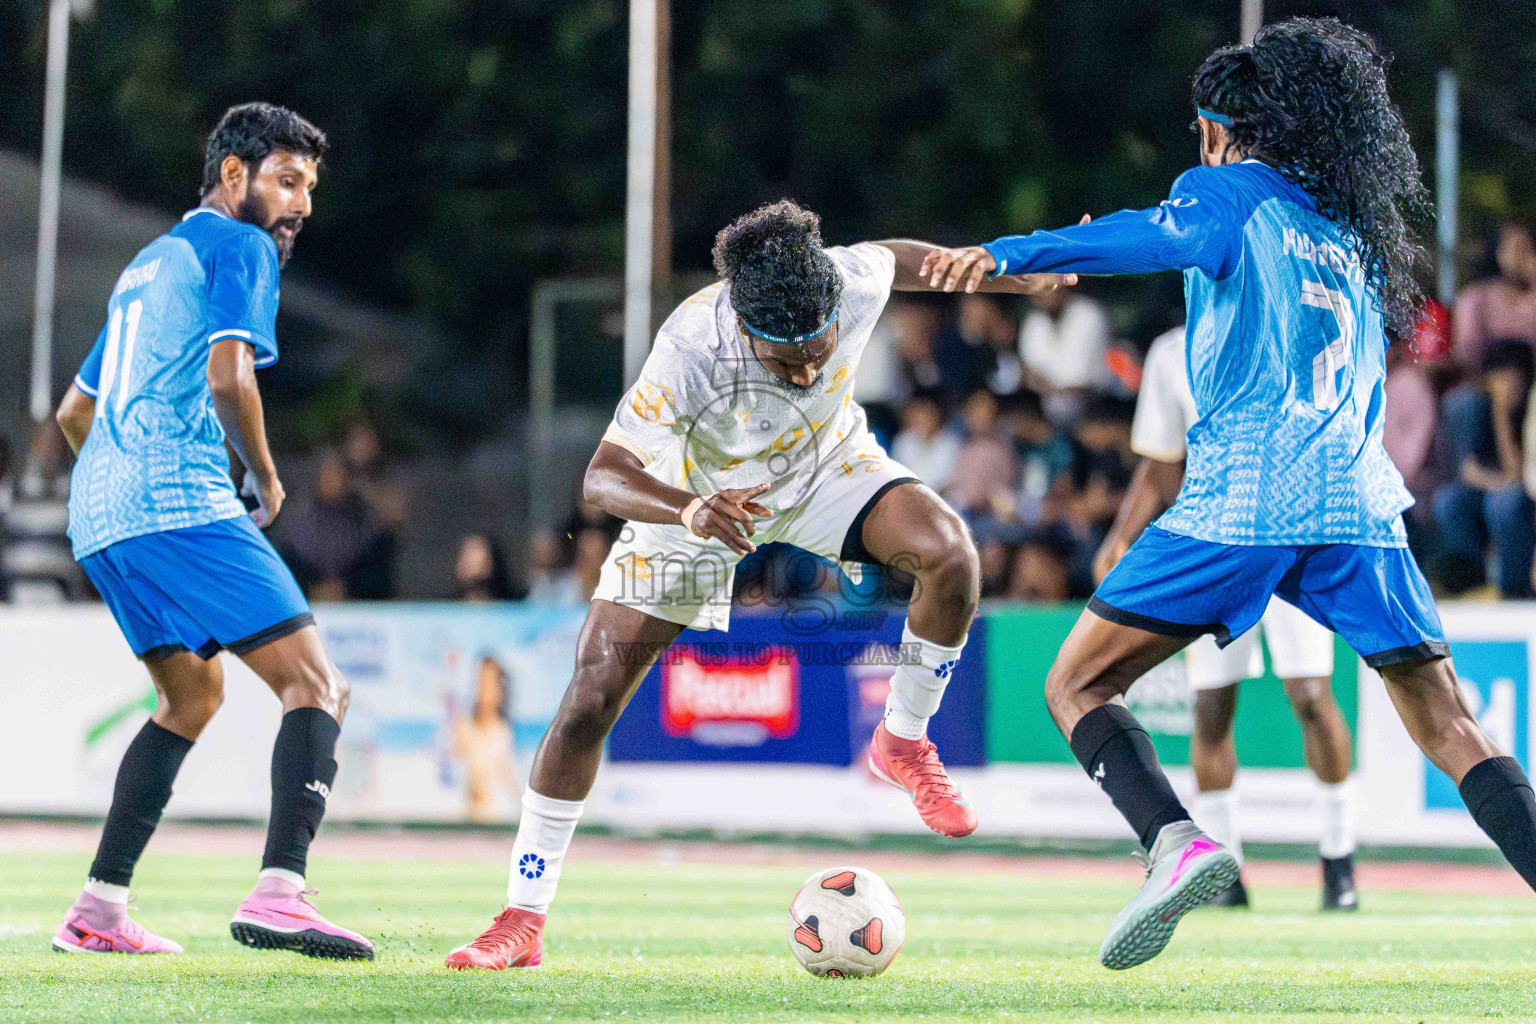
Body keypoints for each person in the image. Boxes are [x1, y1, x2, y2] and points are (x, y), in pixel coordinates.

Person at [925, 17, 1536, 972]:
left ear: (1219, 129)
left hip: (1251, 496)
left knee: (1077, 680)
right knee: (1452, 723)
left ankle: (1176, 841)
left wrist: (1010, 253)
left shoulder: (1222, 190)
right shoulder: (1350, 232)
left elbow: (1154, 232)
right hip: (1360, 506)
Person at [443, 200, 1072, 970]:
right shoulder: (690, 344)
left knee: (951, 556)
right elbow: (604, 478)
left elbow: (905, 259)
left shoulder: (841, 280)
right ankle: (521, 921)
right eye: (789, 362)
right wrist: (692, 509)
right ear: (743, 330)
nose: (810, 371)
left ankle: (902, 740)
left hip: (824, 471)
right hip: (698, 500)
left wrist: (1005, 273)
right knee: (590, 699)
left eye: (820, 351)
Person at [48, 103, 372, 959]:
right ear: (234, 176)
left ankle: (98, 910)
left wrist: (117, 480)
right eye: (286, 180)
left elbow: (73, 411)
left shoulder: (146, 266)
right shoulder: (241, 245)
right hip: (175, 500)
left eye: (308, 186)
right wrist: (263, 476)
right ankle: (282, 891)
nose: (300, 203)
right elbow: (231, 377)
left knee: (190, 697)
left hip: (101, 514)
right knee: (319, 685)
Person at [1094, 323, 1359, 912]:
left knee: (1312, 695)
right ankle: (1226, 872)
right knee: (1212, 707)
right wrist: (1122, 536)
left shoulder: (1290, 324)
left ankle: (1339, 861)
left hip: (1296, 535)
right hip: (1214, 546)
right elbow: (1163, 464)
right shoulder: (1169, 350)